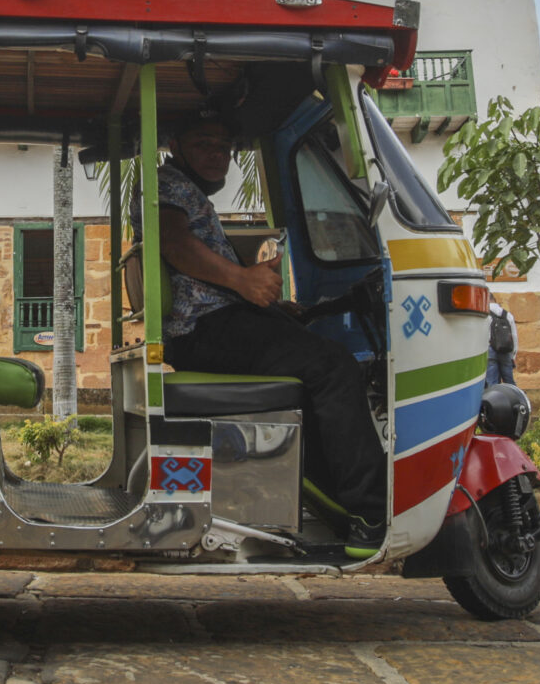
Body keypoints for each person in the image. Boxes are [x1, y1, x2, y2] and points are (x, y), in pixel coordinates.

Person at [157, 114, 384, 526]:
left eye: (224, 147)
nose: (217, 155)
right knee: (333, 367)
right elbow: (175, 245)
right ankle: (371, 511)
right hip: (206, 330)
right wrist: (243, 280)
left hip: (216, 323)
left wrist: (273, 306)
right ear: (175, 145)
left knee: (313, 361)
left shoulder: (188, 192)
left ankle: (333, 497)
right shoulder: (168, 185)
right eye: (203, 144)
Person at [484, 300, 517, 387]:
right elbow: (514, 336)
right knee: (510, 382)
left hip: (490, 349)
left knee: (492, 383)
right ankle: (514, 398)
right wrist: (513, 355)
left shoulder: (484, 315)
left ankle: (494, 399)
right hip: (506, 350)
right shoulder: (508, 315)